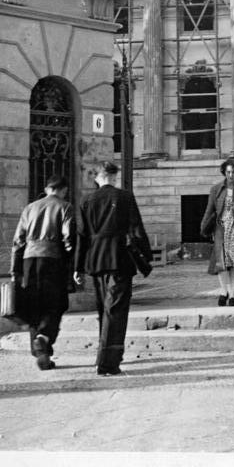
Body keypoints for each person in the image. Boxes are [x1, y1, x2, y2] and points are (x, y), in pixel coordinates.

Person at [73, 161, 153, 376]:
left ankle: (105, 354)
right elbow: (137, 229)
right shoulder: (125, 197)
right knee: (116, 310)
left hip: (95, 260)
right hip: (119, 258)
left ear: (97, 177)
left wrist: (78, 267)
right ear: (114, 176)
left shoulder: (86, 200)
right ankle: (108, 361)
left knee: (104, 310)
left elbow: (81, 236)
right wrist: (147, 254)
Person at [10, 174, 75, 370]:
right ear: (63, 190)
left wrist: (14, 269)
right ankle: (44, 337)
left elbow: (18, 241)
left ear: (47, 189)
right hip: (53, 259)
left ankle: (41, 352)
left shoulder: (29, 208)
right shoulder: (65, 207)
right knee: (55, 303)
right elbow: (69, 238)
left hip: (29, 259)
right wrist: (72, 264)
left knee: (33, 302)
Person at [200, 158, 234, 307]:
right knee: (221, 263)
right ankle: (223, 292)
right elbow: (209, 209)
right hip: (220, 229)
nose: (231, 175)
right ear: (224, 172)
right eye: (228, 171)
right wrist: (204, 227)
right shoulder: (216, 189)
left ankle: (233, 295)